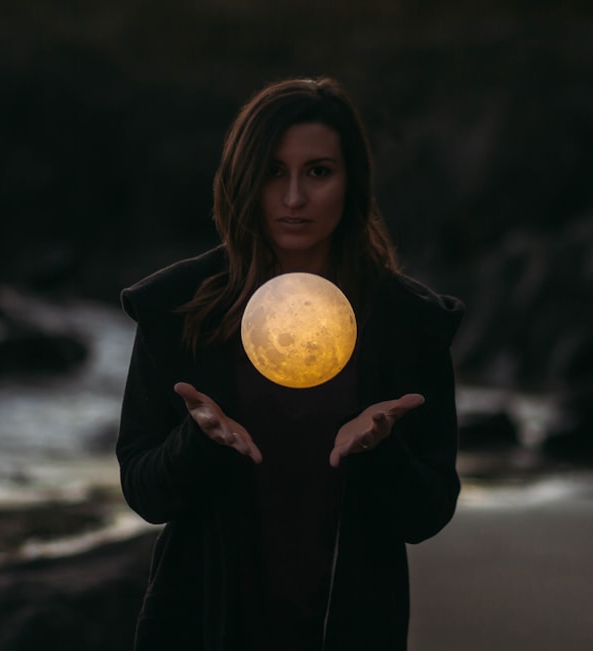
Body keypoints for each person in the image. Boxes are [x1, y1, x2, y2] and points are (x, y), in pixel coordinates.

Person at [116, 77, 464, 651]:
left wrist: (382, 451)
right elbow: (144, 492)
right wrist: (196, 441)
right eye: (274, 172)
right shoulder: (177, 309)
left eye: (319, 172)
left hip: (349, 628)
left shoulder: (409, 324)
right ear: (243, 179)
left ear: (352, 184)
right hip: (201, 628)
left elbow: (427, 512)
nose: (294, 197)